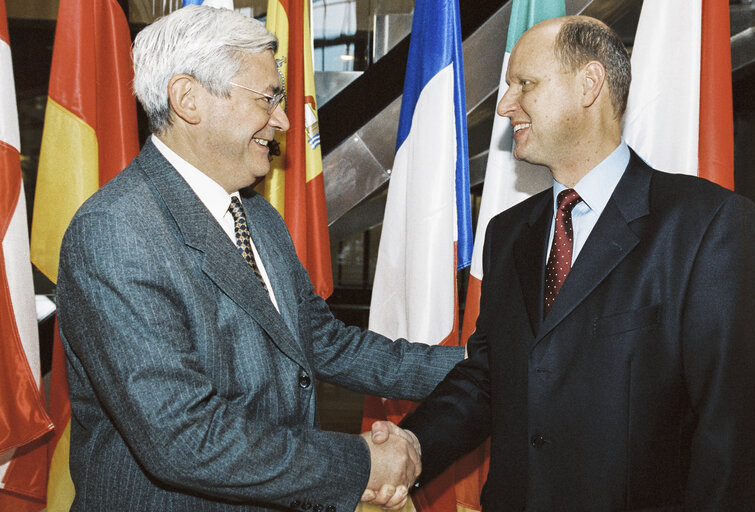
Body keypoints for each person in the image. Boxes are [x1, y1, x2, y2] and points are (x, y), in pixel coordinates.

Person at [56, 6, 462, 511]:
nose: (286, 120)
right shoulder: (116, 232)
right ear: (188, 99)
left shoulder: (257, 216)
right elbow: (186, 439)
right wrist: (361, 463)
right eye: (268, 98)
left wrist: (480, 366)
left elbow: (323, 342)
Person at [378, 15, 755, 510]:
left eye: (525, 84)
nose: (504, 105)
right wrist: (414, 446)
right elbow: (489, 377)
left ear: (590, 84)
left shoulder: (707, 226)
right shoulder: (507, 233)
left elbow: (732, 433)